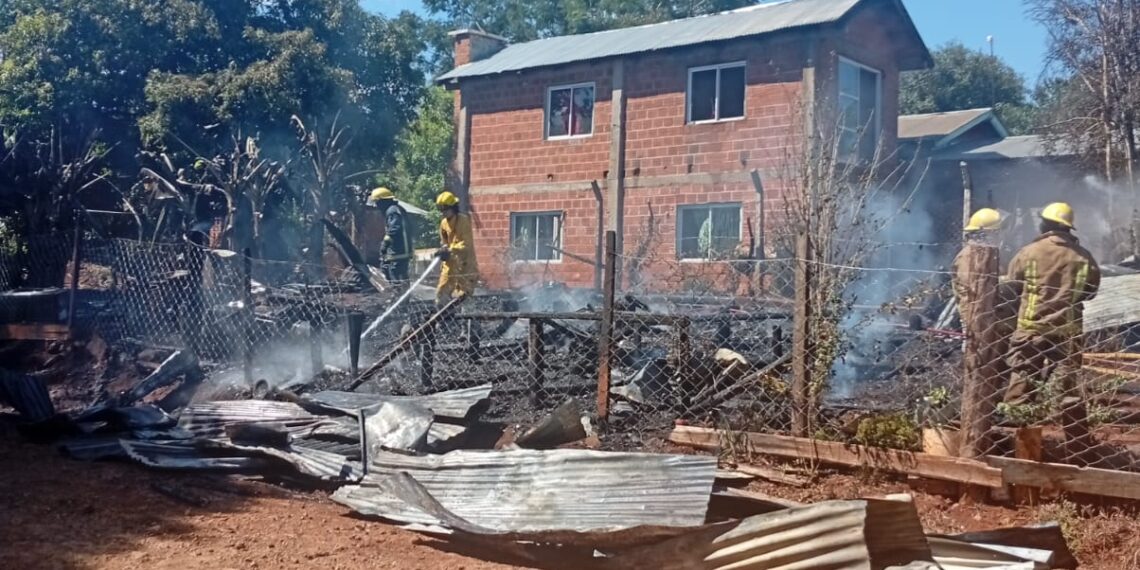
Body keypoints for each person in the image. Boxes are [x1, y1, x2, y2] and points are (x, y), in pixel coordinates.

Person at [1003, 202, 1100, 407]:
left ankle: (1017, 419)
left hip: (1031, 327)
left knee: (1024, 373)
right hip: (1067, 329)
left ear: (1045, 225)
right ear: (1067, 228)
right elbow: (1091, 292)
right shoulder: (1083, 256)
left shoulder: (1028, 252)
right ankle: (1066, 423)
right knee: (1066, 379)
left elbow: (1011, 286)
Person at [950, 208, 1019, 403]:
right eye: (998, 231)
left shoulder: (990, 254)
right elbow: (975, 294)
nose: (1001, 236)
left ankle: (991, 405)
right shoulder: (970, 257)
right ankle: (979, 406)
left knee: (997, 368)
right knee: (981, 370)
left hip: (995, 320)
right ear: (987, 232)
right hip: (980, 322)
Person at [434, 191, 479, 306]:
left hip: (465, 265)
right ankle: (444, 320)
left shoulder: (463, 221)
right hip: (450, 264)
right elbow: (444, 242)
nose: (443, 212)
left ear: (453, 208)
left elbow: (466, 244)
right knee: (441, 292)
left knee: (463, 297)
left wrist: (450, 249)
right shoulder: (443, 223)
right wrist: (443, 250)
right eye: (441, 209)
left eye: (445, 209)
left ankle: (466, 322)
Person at [368, 187, 411, 284]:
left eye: (377, 202)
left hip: (399, 250)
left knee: (395, 273)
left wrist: (385, 243)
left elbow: (394, 229)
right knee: (391, 270)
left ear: (383, 201)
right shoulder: (395, 209)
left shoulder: (392, 211)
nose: (377, 206)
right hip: (399, 249)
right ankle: (399, 294)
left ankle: (400, 295)